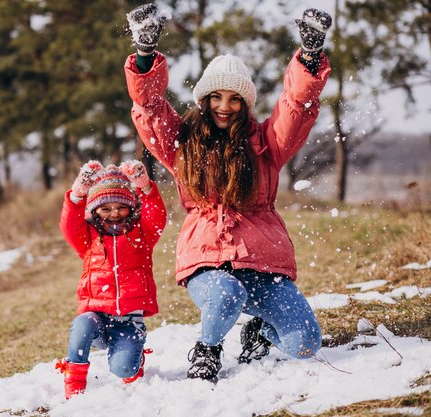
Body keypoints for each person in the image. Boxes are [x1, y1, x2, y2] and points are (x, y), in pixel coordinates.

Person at [124, 4, 333, 381]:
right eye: (217, 97)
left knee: (304, 342)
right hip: (207, 263)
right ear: (205, 99)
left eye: (235, 99)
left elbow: (297, 107)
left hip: (262, 265)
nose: (225, 106)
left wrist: (310, 56)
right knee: (225, 294)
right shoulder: (182, 144)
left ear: (244, 103)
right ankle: (208, 350)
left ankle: (259, 331)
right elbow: (150, 106)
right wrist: (144, 53)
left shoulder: (267, 145)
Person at [56, 160, 167, 399]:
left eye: (121, 207)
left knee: (123, 368)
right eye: (106, 209)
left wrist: (145, 186)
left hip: (128, 322)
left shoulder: (142, 235)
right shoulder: (88, 238)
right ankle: (74, 384)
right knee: (82, 323)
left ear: (131, 207)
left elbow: (156, 216)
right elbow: (67, 225)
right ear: (95, 210)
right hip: (96, 317)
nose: (114, 213)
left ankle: (133, 357)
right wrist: (78, 193)